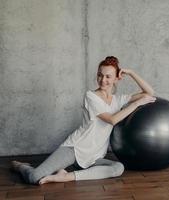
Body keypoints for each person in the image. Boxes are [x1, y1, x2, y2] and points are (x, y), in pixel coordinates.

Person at [11, 56, 156, 185]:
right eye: (100, 75)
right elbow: (112, 120)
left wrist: (130, 72)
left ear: (116, 78)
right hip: (74, 149)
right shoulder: (91, 96)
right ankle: (21, 167)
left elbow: (150, 92)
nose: (102, 80)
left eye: (108, 76)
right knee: (34, 177)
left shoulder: (118, 100)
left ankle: (67, 176)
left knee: (118, 168)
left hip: (94, 156)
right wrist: (136, 103)